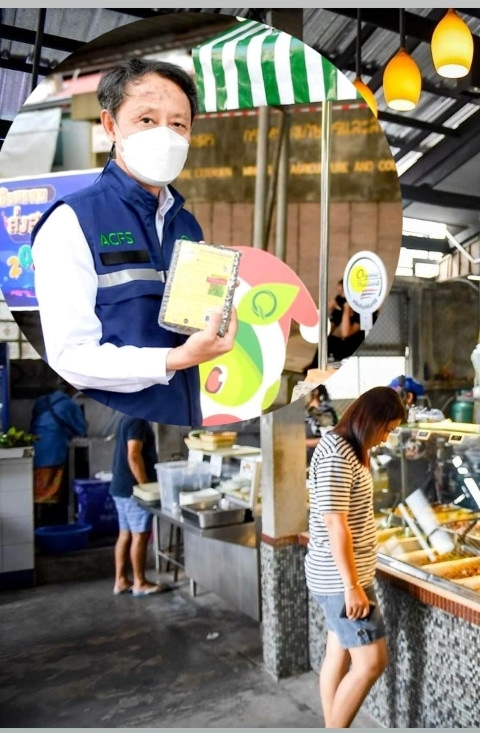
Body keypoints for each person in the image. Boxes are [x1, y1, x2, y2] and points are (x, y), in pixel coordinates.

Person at [31, 58, 237, 427]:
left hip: (184, 419)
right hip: (120, 428)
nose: (165, 135)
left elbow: (185, 325)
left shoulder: (186, 224)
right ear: (111, 125)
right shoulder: (71, 222)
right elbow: (71, 358)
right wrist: (175, 359)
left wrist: (212, 322)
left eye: (178, 124)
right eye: (146, 120)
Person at [306, 386, 406, 728]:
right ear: (370, 420)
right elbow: (335, 523)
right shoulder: (338, 452)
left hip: (340, 576)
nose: (385, 438)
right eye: (386, 429)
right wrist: (351, 586)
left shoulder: (348, 447)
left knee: (337, 654)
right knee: (371, 663)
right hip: (341, 580)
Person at [110, 415, 165, 596]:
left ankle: (120, 581)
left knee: (125, 534)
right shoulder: (138, 420)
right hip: (133, 489)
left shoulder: (125, 417)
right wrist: (145, 487)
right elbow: (133, 454)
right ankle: (140, 583)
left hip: (121, 487)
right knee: (139, 536)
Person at [30, 379, 88, 525]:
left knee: (36, 493)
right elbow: (81, 429)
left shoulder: (41, 402)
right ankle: (53, 525)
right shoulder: (69, 405)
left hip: (35, 451)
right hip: (54, 453)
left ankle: (37, 525)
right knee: (54, 494)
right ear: (72, 389)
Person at [305, 385, 339, 462]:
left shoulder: (324, 411)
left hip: (319, 459)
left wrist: (301, 443)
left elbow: (329, 439)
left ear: (315, 392)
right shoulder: (302, 411)